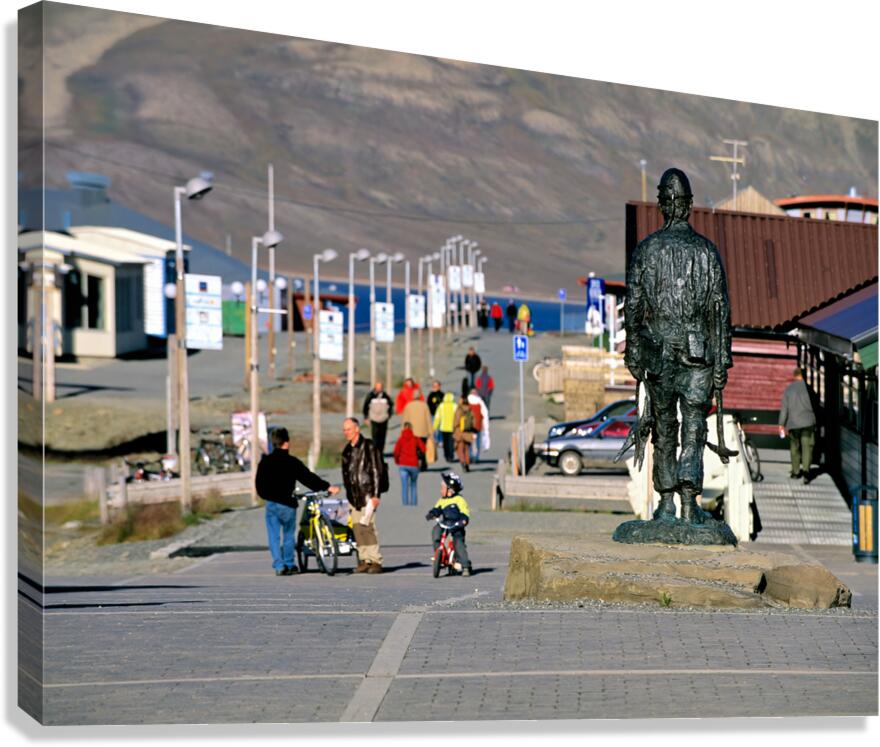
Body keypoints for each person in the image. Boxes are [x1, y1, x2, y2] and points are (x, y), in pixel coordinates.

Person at [623, 167, 732, 525]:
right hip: (697, 355)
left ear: (663, 205)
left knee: (665, 429)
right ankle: (685, 504)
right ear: (687, 205)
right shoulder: (707, 252)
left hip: (659, 355)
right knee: (694, 429)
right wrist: (722, 362)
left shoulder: (646, 250)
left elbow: (635, 308)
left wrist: (634, 353)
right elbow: (720, 311)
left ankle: (669, 502)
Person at [255, 427, 340, 576]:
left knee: (273, 537)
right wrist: (327, 486)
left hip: (271, 504)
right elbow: (308, 478)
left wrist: (267, 496)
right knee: (288, 536)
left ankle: (279, 566)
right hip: (287, 504)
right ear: (286, 443)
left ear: (273, 443)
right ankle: (289, 564)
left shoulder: (265, 462)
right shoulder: (291, 462)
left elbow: (259, 485)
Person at [341, 417, 385, 573]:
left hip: (367, 494)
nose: (346, 432)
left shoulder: (369, 446)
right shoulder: (347, 450)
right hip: (353, 496)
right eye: (344, 430)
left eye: (349, 429)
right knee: (358, 528)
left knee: (368, 527)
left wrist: (375, 494)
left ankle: (375, 560)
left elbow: (376, 471)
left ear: (357, 429)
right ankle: (364, 559)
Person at [425, 471, 471, 576]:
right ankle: (439, 554)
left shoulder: (459, 500)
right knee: (436, 532)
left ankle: (465, 565)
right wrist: (432, 513)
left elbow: (465, 512)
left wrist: (463, 520)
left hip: (456, 524)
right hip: (445, 523)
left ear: (450, 490)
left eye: (442, 487)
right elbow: (437, 509)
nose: (441, 490)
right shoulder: (442, 500)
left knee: (458, 542)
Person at [779, 367, 817, 483]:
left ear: (794, 376)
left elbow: (784, 409)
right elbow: (816, 406)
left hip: (793, 423)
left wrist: (781, 424)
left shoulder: (788, 390)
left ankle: (796, 472)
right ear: (803, 375)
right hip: (808, 423)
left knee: (794, 447)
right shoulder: (809, 389)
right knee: (807, 447)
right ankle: (806, 472)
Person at [393, 422, 425, 506]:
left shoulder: (400, 439)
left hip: (403, 464)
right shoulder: (415, 439)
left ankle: (405, 505)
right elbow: (424, 449)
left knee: (404, 486)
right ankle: (414, 504)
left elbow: (396, 452)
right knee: (413, 485)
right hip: (414, 464)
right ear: (411, 429)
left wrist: (397, 461)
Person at [402, 392, 435, 466]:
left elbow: (405, 420)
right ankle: (423, 462)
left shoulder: (409, 406)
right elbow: (428, 419)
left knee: (413, 448)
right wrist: (430, 431)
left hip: (412, 431)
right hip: (423, 431)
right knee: (423, 447)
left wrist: (403, 430)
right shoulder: (424, 406)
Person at [362, 381, 393, 455]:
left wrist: (389, 415)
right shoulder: (370, 396)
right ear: (375, 387)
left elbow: (391, 405)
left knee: (382, 437)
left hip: (383, 419)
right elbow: (365, 407)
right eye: (377, 387)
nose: (379, 389)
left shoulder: (385, 396)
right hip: (374, 419)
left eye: (380, 387)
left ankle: (380, 452)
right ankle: (375, 452)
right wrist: (366, 417)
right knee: (375, 437)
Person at [433, 391, 458, 463]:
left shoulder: (441, 406)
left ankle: (446, 455)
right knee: (451, 442)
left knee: (445, 442)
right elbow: (458, 417)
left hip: (443, 427)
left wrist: (434, 427)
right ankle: (451, 456)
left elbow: (437, 417)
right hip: (452, 427)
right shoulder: (455, 406)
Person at [453, 395, 475, 471]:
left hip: (459, 432)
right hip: (468, 432)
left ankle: (463, 462)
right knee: (466, 449)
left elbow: (456, 421)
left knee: (460, 449)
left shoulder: (459, 409)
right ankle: (467, 463)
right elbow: (473, 421)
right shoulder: (470, 409)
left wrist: (454, 429)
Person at [468, 388, 490, 461]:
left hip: (469, 425)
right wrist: (485, 424)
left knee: (470, 441)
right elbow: (484, 413)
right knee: (477, 441)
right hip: (478, 424)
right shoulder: (480, 402)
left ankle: (470, 455)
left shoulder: (467, 401)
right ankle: (476, 455)